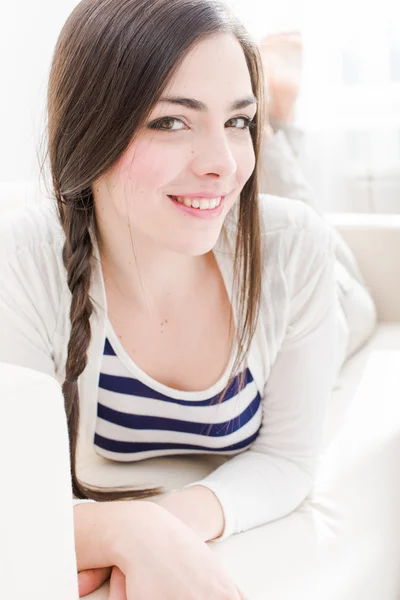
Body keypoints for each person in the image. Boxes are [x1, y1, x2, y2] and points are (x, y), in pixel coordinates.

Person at [0, 1, 358, 598]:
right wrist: (129, 528)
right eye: (171, 122)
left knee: (297, 219)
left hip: (337, 289)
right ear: (92, 125)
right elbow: (13, 494)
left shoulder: (293, 247)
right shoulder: (26, 255)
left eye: (238, 121)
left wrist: (161, 525)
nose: (222, 162)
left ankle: (278, 111)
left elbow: (290, 462)